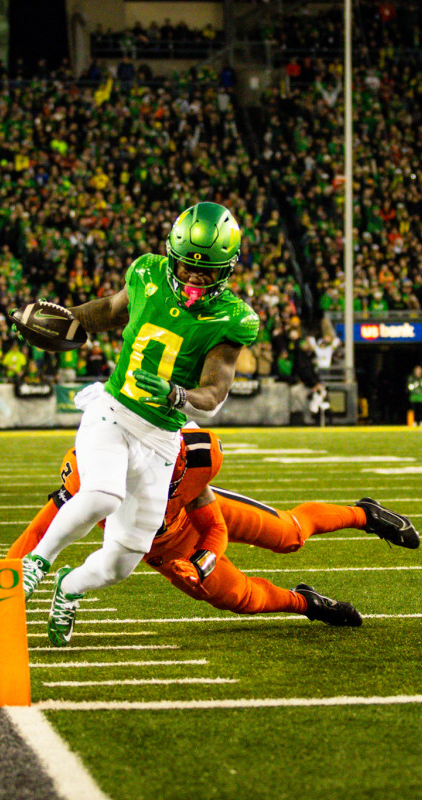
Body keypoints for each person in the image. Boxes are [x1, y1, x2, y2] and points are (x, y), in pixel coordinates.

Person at [20, 202, 261, 647]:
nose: (192, 278)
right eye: (187, 266)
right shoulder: (148, 274)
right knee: (102, 494)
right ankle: (36, 564)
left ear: (227, 270)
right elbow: (109, 311)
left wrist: (178, 395)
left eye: (205, 272)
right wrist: (64, 318)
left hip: (161, 436)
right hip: (113, 410)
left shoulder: (233, 318)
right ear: (171, 254)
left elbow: (216, 390)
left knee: (122, 560)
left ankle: (68, 589)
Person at [0, 428, 420, 629]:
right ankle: (307, 602)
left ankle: (365, 513)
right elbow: (42, 532)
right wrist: (3, 591)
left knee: (288, 535)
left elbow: (212, 523)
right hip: (158, 549)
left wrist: (205, 556)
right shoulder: (93, 468)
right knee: (238, 598)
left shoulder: (195, 457)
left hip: (195, 524)